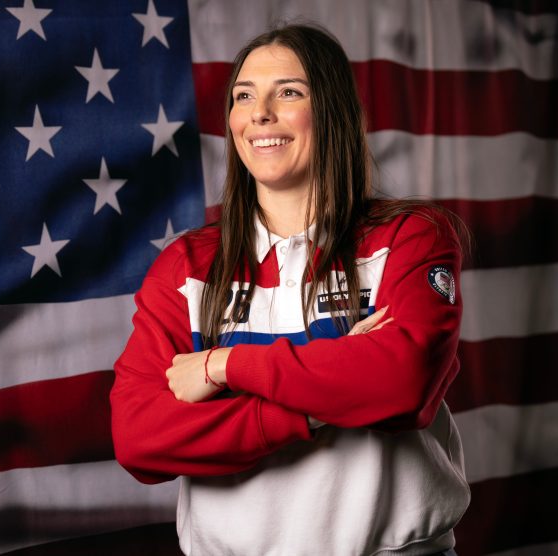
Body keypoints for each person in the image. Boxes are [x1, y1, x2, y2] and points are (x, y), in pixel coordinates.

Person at [111, 23, 470, 556]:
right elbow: (140, 438)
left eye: (288, 92)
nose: (259, 113)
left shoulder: (409, 237)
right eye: (244, 96)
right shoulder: (187, 266)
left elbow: (403, 384)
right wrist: (319, 403)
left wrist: (223, 366)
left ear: (332, 112)